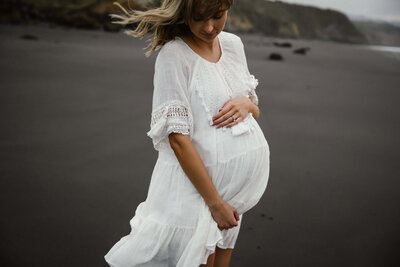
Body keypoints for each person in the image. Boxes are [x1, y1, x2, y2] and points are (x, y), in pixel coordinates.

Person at [104, 0, 270, 266]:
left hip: (229, 195)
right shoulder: (174, 56)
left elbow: (254, 112)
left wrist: (247, 104)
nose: (209, 27)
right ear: (184, 14)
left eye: (217, 16)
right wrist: (214, 203)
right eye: (199, 18)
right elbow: (177, 139)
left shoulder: (233, 45)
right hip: (196, 194)